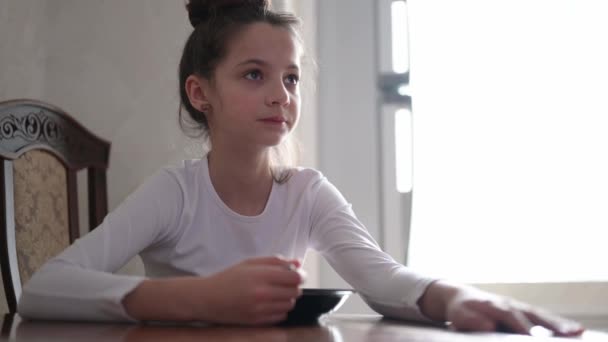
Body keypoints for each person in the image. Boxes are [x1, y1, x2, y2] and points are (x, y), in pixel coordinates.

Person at [18, 0, 583, 336]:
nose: (280, 95)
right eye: (253, 74)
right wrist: (200, 299)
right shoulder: (175, 194)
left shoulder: (308, 193)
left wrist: (453, 297)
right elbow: (44, 289)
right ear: (200, 92)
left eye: (290, 78)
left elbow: (383, 279)